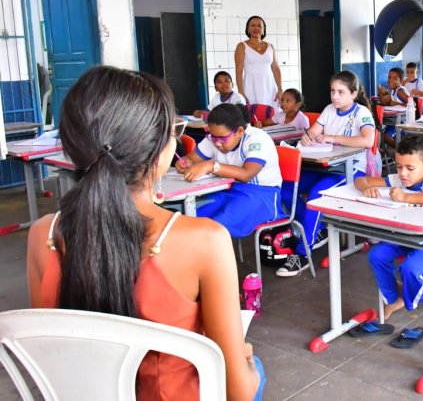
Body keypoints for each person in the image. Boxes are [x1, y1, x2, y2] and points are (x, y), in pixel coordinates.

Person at [26, 66, 262, 401]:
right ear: (160, 152)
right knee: (256, 368)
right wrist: (247, 364)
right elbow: (239, 392)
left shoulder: (42, 234)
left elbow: (51, 355)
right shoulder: (204, 241)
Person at [277, 71, 376, 277]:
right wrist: (306, 138)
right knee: (284, 187)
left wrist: (332, 137)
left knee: (316, 194)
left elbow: (367, 140)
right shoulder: (329, 110)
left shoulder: (361, 113)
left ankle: (303, 253)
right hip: (323, 165)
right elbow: (312, 132)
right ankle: (314, 227)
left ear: (354, 94)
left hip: (350, 169)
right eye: (332, 91)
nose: (335, 96)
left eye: (341, 92)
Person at [358, 135, 423, 319]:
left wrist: (405, 198)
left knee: (409, 268)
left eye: (410, 168)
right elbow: (362, 180)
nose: (403, 173)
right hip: (409, 235)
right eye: (399, 166)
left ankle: (408, 299)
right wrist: (366, 187)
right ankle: (394, 298)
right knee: (376, 255)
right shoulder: (400, 178)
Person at [177, 103, 283, 238]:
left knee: (215, 228)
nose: (216, 143)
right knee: (190, 217)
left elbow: (246, 174)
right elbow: (191, 158)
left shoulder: (257, 139)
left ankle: (211, 257)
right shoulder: (215, 137)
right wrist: (186, 163)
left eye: (222, 139)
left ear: (239, 131)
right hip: (226, 189)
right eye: (213, 137)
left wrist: (211, 166)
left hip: (261, 194)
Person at [235, 15, 282, 106]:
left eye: (259, 26)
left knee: (271, 113)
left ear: (264, 29)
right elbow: (239, 70)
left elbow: (275, 68)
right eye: (252, 25)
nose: (256, 28)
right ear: (248, 29)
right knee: (254, 114)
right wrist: (241, 92)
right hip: (250, 86)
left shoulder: (270, 46)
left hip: (269, 85)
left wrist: (280, 89)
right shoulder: (242, 46)